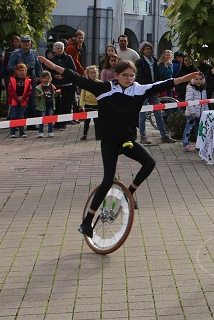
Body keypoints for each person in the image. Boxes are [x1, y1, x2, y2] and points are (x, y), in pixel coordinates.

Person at [38, 55, 201, 237]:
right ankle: (87, 222)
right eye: (125, 75)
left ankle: (128, 194)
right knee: (108, 180)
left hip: (127, 139)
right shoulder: (104, 88)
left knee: (150, 163)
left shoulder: (139, 90)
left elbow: (162, 84)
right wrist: (52, 66)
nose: (129, 78)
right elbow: (77, 78)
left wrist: (184, 78)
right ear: (116, 75)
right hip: (109, 140)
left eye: (132, 75)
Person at [135, 42, 172, 144]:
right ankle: (143, 136)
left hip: (153, 91)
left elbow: (157, 76)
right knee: (143, 114)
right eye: (145, 49)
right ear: (142, 50)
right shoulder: (139, 62)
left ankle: (164, 135)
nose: (148, 50)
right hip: (144, 91)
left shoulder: (155, 61)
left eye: (149, 48)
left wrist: (157, 89)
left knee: (158, 113)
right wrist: (149, 88)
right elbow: (140, 77)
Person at [45, 42, 77, 130]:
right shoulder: (52, 59)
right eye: (57, 48)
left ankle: (63, 123)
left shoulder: (68, 58)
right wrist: (54, 75)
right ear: (54, 49)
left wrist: (64, 75)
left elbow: (73, 69)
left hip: (67, 84)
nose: (59, 50)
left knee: (65, 104)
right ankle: (57, 122)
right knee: (56, 104)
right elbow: (48, 70)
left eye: (61, 48)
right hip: (56, 84)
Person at [181, 73, 207, 151]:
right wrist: (193, 113)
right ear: (192, 80)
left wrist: (206, 112)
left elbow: (205, 102)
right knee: (188, 128)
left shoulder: (203, 89)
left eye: (200, 79)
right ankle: (185, 144)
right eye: (196, 79)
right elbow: (188, 101)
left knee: (199, 129)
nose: (198, 81)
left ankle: (199, 144)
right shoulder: (190, 88)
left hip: (201, 114)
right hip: (191, 114)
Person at [6, 62, 32, 138]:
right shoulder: (12, 79)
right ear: (16, 71)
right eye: (20, 70)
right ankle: (12, 132)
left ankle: (22, 132)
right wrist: (17, 97)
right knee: (13, 116)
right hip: (14, 100)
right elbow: (10, 91)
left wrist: (23, 98)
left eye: (23, 70)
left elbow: (29, 91)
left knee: (21, 116)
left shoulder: (28, 80)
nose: (22, 72)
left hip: (23, 101)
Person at [33, 71, 58, 138]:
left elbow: (53, 95)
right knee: (42, 119)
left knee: (50, 119)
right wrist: (39, 95)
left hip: (50, 104)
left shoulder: (52, 86)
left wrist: (57, 93)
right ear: (41, 79)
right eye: (45, 78)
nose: (46, 80)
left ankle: (50, 131)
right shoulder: (39, 87)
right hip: (42, 105)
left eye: (48, 78)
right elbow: (36, 95)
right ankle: (41, 132)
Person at [80, 66, 100, 141]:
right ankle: (84, 135)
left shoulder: (99, 83)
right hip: (88, 105)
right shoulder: (86, 83)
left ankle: (98, 135)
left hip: (96, 105)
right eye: (91, 73)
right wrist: (82, 104)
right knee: (87, 121)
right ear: (88, 74)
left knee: (97, 122)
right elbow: (82, 95)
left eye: (94, 73)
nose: (93, 74)